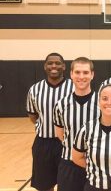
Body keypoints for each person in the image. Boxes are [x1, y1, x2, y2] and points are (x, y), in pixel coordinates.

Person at [26, 53, 73, 191]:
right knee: (44, 186)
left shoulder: (74, 87)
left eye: (57, 63)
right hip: (43, 144)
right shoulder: (35, 89)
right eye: (50, 63)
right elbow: (32, 115)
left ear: (64, 66)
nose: (54, 66)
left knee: (68, 186)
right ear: (45, 66)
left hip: (67, 144)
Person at [53, 57, 99, 191]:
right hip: (69, 163)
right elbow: (61, 135)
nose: (81, 76)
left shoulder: (102, 103)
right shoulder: (61, 105)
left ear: (92, 75)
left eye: (85, 72)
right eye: (77, 72)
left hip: (95, 165)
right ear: (71, 74)